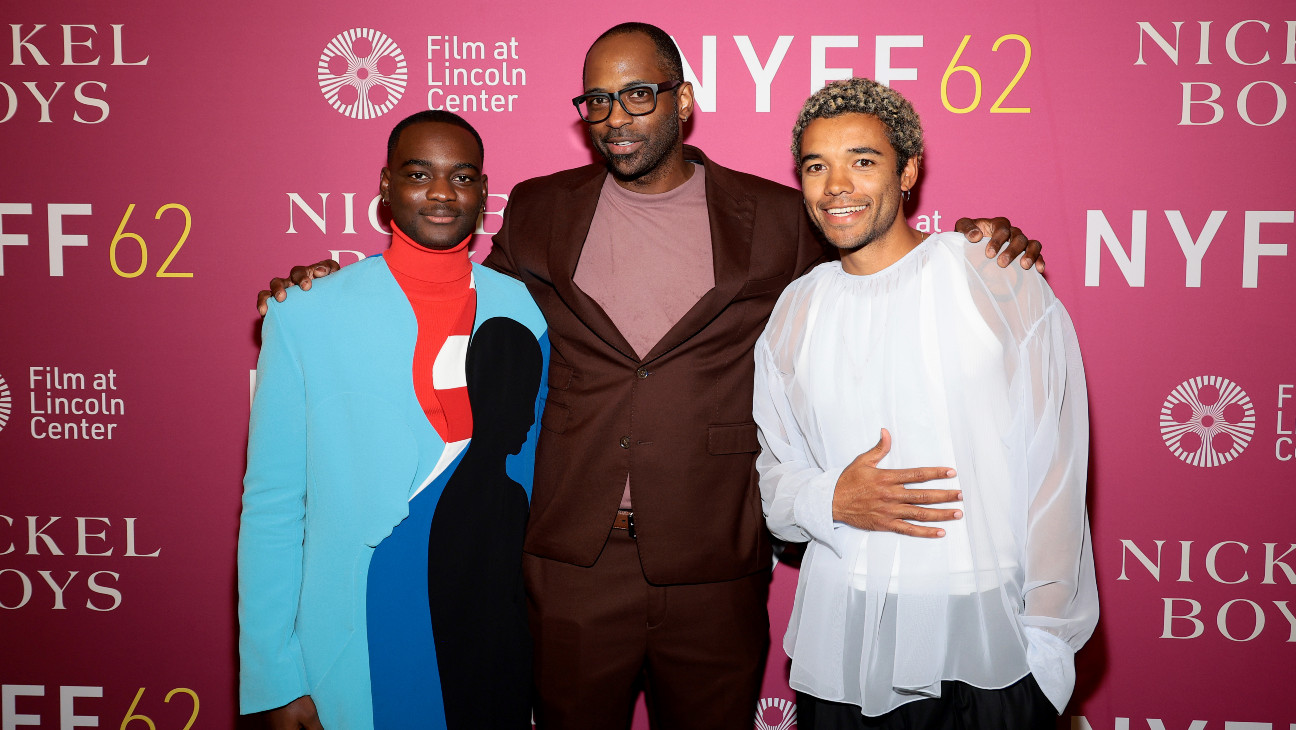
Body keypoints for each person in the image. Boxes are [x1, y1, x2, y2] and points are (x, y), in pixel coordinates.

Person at [258, 23, 1045, 730]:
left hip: (714, 562)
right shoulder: (539, 209)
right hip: (571, 564)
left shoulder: (776, 215)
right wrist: (326, 289)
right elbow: (462, 304)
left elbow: (874, 257)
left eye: (637, 94)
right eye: (596, 101)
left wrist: (982, 240)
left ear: (684, 99)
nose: (615, 118)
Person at [754, 77, 1098, 729]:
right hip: (843, 649)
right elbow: (775, 482)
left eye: (863, 161)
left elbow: (1056, 470)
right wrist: (831, 499)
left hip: (988, 651)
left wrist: (1048, 650)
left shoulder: (992, 277)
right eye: (816, 166)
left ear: (908, 171)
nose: (836, 187)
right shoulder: (794, 311)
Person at [238, 109, 547, 730]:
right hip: (358, 632)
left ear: (485, 193)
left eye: (461, 176)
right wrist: (274, 677)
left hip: (488, 630)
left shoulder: (526, 310)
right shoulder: (306, 314)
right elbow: (273, 506)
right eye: (418, 173)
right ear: (384, 187)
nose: (440, 192)